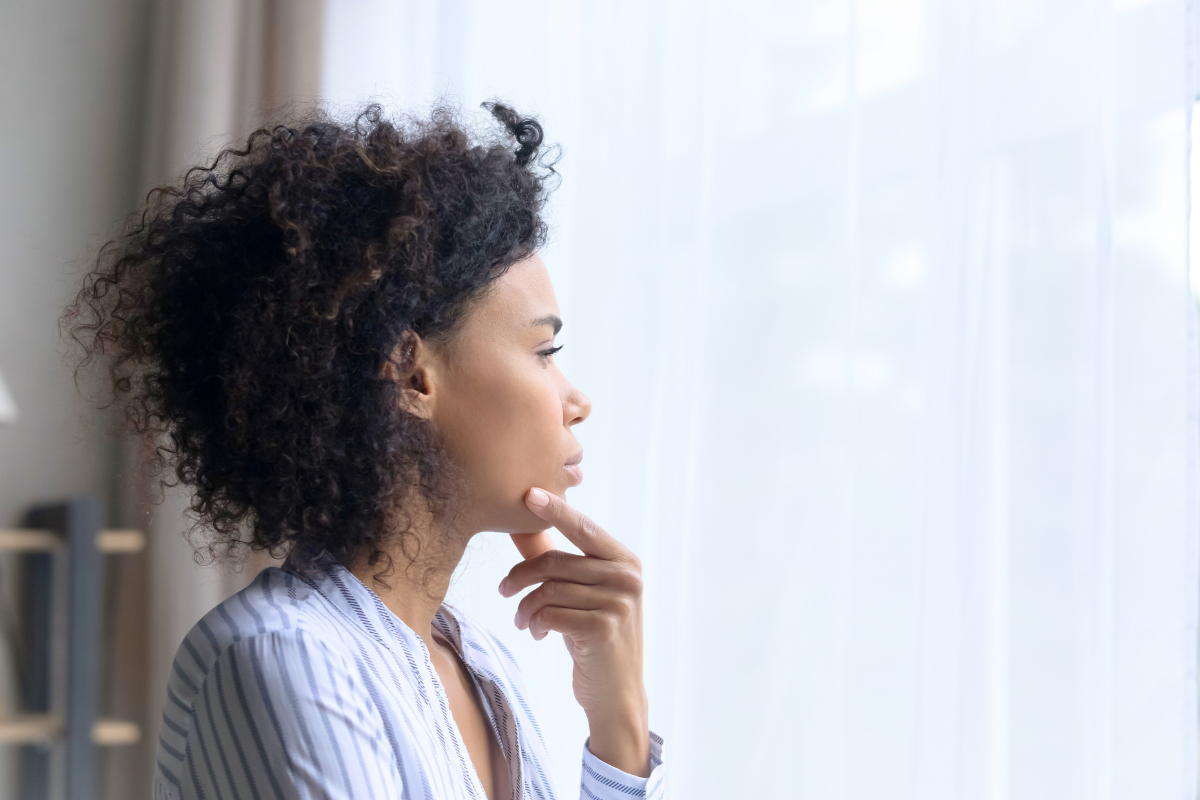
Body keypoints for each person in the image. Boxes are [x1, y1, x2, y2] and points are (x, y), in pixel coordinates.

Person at [63, 101, 665, 800]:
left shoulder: (489, 670)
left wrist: (620, 721)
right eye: (544, 351)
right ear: (411, 374)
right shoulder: (287, 657)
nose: (575, 400)